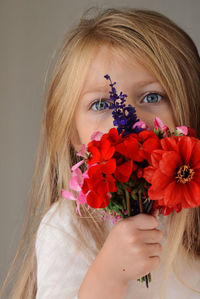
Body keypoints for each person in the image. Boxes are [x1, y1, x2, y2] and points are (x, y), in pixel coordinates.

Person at [1, 7, 200, 299]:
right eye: (100, 104)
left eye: (152, 97)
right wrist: (108, 275)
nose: (128, 117)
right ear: (71, 132)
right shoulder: (69, 227)